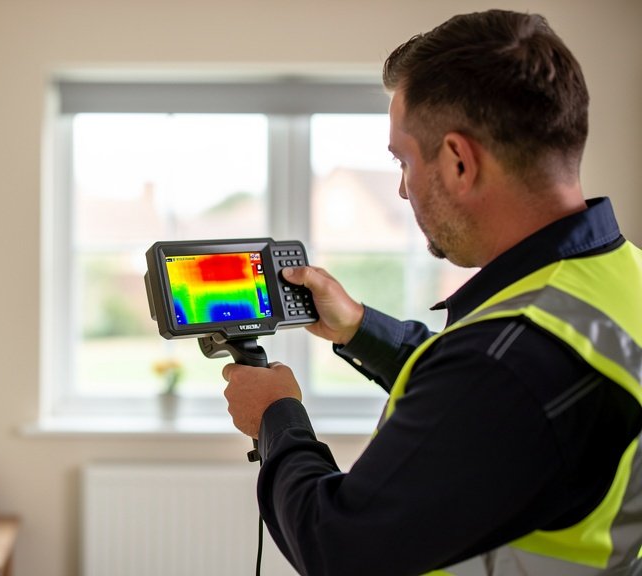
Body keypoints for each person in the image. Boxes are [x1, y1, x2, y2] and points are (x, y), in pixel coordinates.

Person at [222, 9, 642, 576]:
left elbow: (337, 546)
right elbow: (488, 404)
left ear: (460, 160)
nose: (401, 188)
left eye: (403, 160)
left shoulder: (511, 359)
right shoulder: (615, 276)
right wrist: (358, 327)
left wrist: (276, 415)